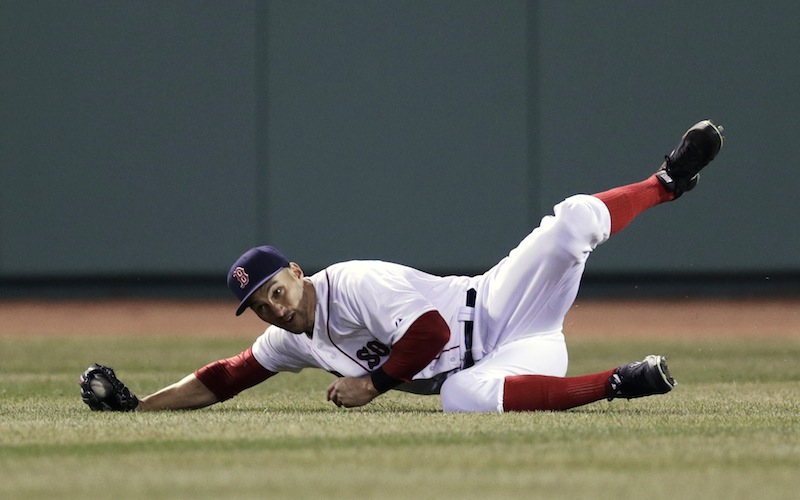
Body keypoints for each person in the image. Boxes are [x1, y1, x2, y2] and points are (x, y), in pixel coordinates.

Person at [80, 119, 724, 413]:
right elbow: (227, 376)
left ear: (297, 272)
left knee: (573, 222)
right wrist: (141, 406)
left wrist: (374, 385)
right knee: (463, 399)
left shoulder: (354, 283)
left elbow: (433, 334)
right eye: (261, 305)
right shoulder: (288, 336)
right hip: (518, 359)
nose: (274, 308)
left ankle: (665, 181)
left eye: (276, 290)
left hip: (494, 306)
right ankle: (621, 382)